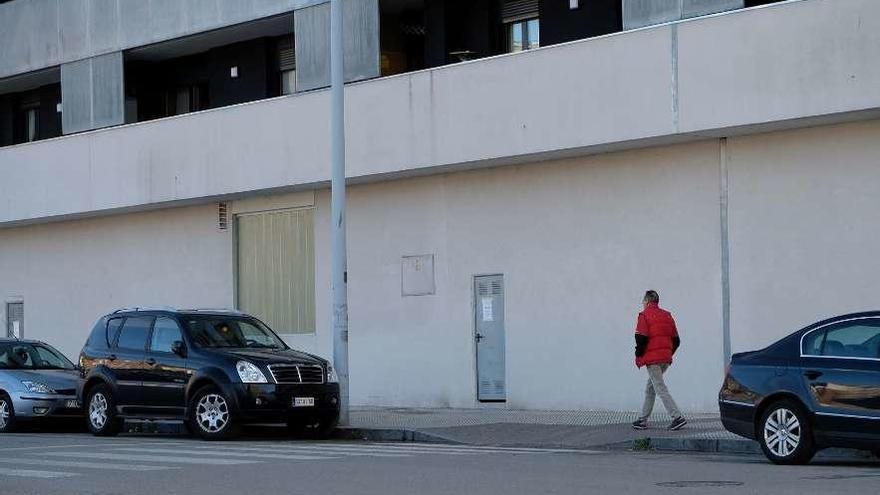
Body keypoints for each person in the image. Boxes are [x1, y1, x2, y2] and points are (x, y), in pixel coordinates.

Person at [631, 290, 687, 431]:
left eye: (643, 301)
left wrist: (638, 355)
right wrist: (668, 353)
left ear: (648, 301)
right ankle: (642, 420)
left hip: (653, 360)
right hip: (665, 360)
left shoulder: (644, 315)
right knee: (651, 388)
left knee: (660, 388)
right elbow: (677, 340)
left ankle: (677, 417)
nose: (643, 304)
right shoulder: (667, 315)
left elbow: (641, 338)